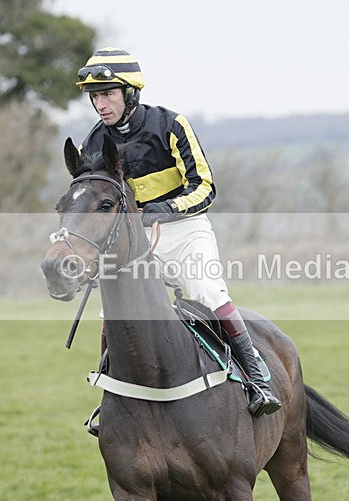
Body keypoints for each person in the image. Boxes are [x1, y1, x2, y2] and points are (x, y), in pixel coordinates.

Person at [76, 47, 281, 419]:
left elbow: (205, 186)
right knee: (113, 310)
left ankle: (256, 378)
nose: (100, 104)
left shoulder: (170, 124)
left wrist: (165, 210)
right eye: (95, 97)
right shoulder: (94, 143)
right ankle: (111, 394)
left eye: (107, 94)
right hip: (134, 239)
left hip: (184, 228)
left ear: (130, 92)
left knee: (206, 290)